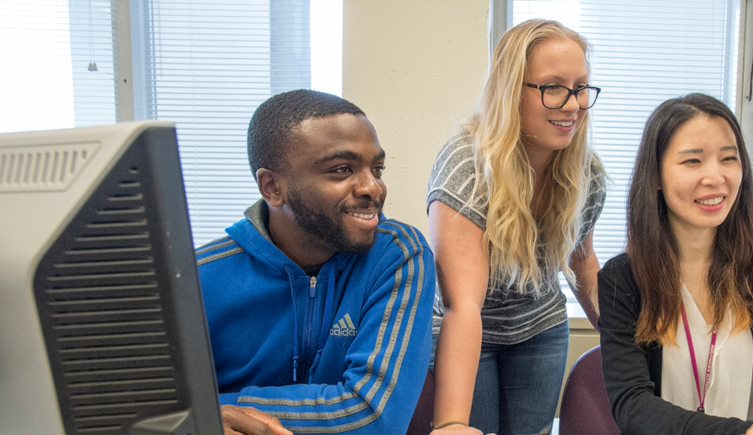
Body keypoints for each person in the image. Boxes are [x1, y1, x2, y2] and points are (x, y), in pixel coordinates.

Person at [195, 89, 436, 435]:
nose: (373, 187)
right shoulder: (197, 279)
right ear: (272, 187)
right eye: (342, 170)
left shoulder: (397, 255)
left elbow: (372, 418)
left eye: (377, 168)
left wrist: (215, 409)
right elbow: (152, 411)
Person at [597, 93, 753, 435]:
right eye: (693, 161)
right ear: (657, 177)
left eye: (728, 158)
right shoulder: (624, 279)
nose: (715, 177)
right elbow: (633, 406)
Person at [426, 19, 607, 435]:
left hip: (540, 327)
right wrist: (452, 423)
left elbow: (583, 263)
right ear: (511, 90)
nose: (573, 103)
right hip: (470, 331)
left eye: (581, 87)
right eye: (553, 87)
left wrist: (627, 345)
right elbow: (462, 304)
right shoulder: (467, 168)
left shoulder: (586, 172)